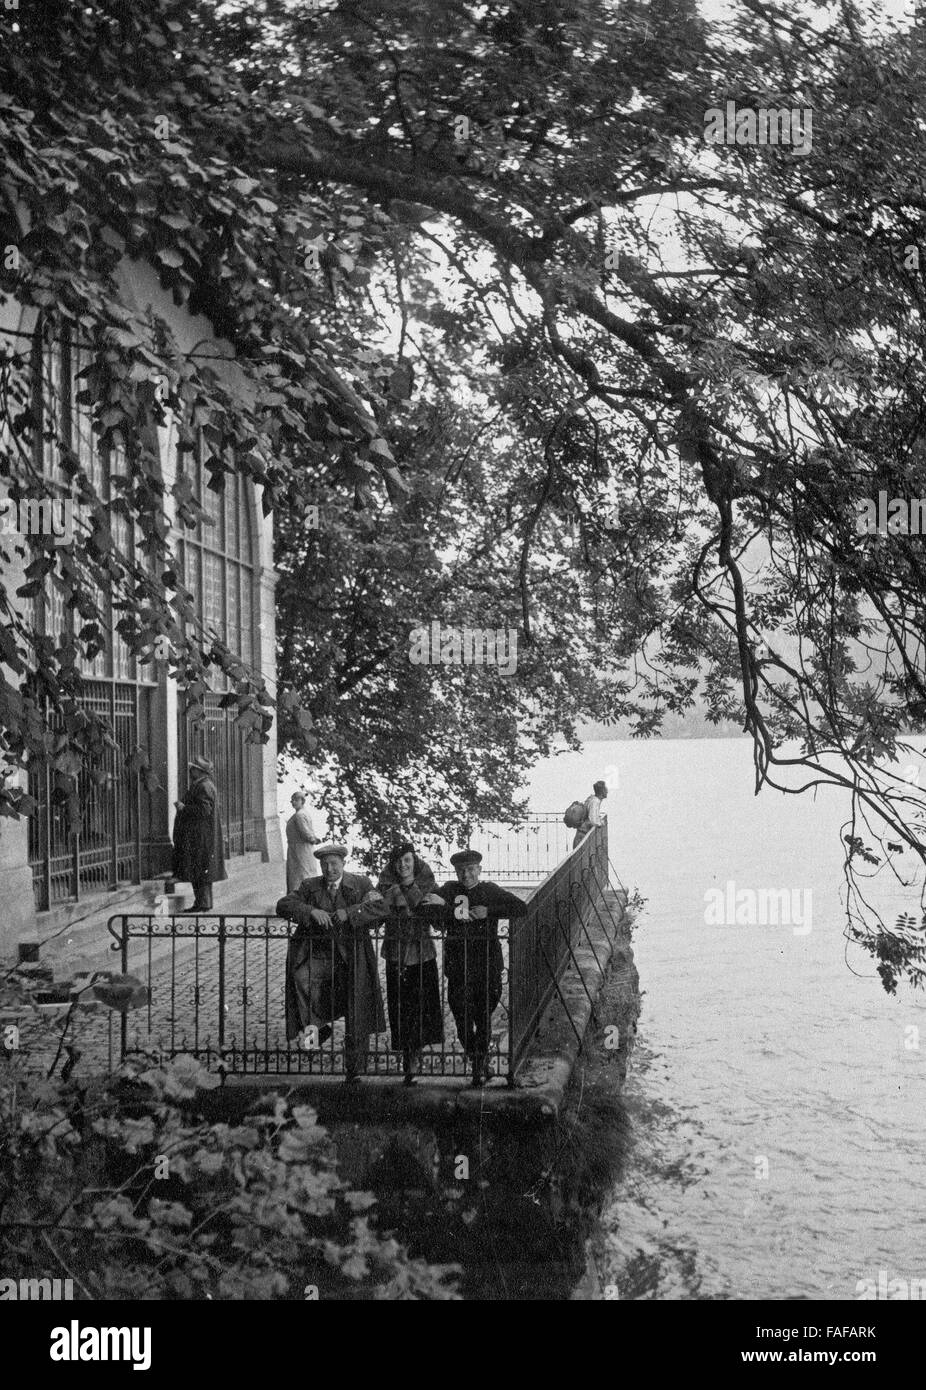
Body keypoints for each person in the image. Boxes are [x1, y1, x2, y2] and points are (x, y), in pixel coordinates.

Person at [276, 843, 387, 1083]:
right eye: (325, 864)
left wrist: (351, 912)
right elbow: (283, 905)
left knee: (356, 1008)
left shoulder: (361, 884)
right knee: (301, 978)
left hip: (352, 958)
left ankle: (354, 1069)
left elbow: (380, 907)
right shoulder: (309, 886)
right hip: (320, 956)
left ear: (343, 864)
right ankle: (317, 1032)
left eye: (334, 864)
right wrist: (310, 912)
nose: (329, 869)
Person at [428, 849, 528, 1087]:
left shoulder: (490, 891)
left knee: (483, 1016)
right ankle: (478, 1059)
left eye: (471, 869)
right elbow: (426, 910)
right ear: (455, 872)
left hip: (487, 965)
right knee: (461, 1016)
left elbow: (520, 907)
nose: (466, 874)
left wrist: (489, 912)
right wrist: (454, 911)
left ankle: (478, 1063)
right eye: (461, 870)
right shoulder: (449, 890)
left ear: (479, 870)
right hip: (458, 965)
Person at [377, 842, 446, 1086]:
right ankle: (408, 1059)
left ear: (413, 860)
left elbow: (434, 915)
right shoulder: (385, 884)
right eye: (398, 861)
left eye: (407, 859)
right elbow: (377, 912)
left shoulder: (426, 879)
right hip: (397, 953)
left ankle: (417, 1054)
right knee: (401, 1008)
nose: (403, 865)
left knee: (422, 1006)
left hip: (422, 951)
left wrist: (411, 888)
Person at [171, 755, 227, 912]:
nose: (190, 771)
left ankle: (202, 904)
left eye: (193, 769)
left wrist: (183, 808)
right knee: (202, 870)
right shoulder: (204, 784)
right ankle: (204, 903)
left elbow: (204, 810)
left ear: (199, 771)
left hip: (200, 836)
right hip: (201, 835)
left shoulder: (203, 786)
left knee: (199, 870)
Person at [285, 791, 320, 892]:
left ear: (302, 801)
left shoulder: (299, 815)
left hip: (300, 848)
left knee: (301, 872)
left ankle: (301, 896)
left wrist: (313, 839)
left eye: (296, 800)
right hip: (298, 847)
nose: (293, 802)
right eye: (292, 800)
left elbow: (305, 831)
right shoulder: (301, 813)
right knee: (301, 872)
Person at [573, 779, 608, 850]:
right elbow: (593, 821)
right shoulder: (595, 802)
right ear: (602, 791)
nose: (607, 791)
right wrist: (601, 823)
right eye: (605, 789)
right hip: (582, 837)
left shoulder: (592, 799)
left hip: (582, 835)